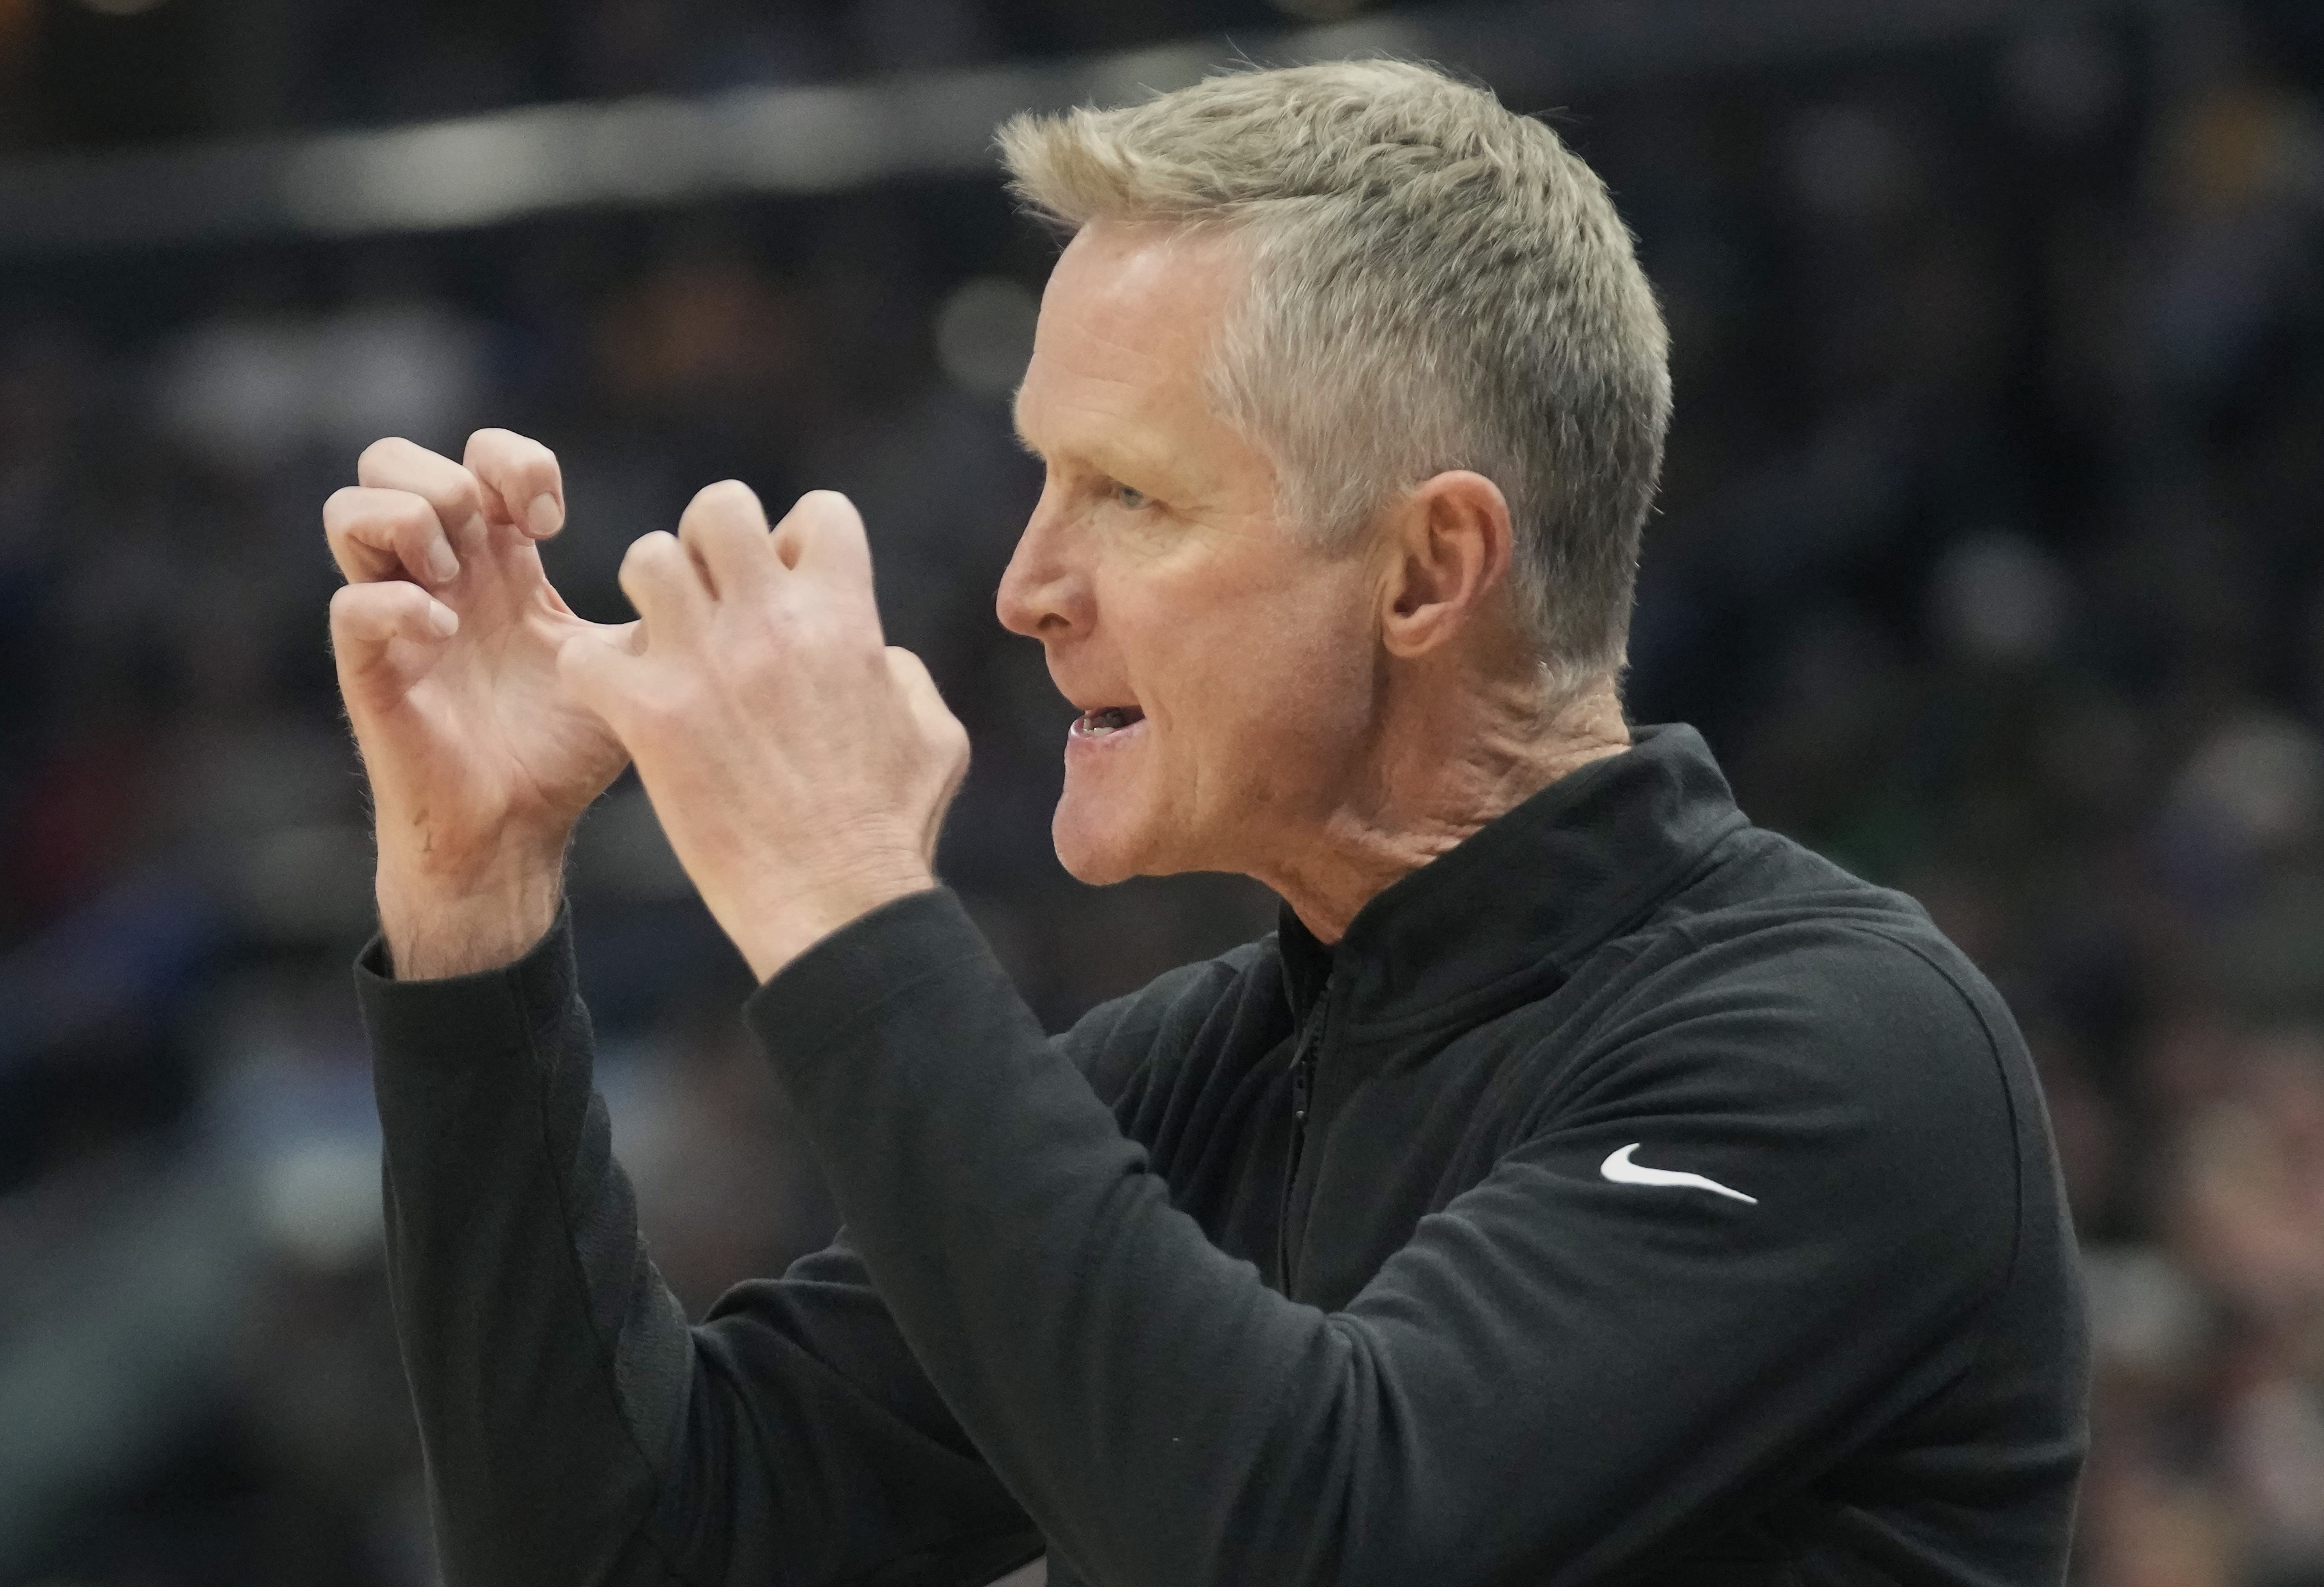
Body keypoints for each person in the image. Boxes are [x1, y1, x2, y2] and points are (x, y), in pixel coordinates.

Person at [328, 61, 2087, 1587]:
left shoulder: (1839, 1051)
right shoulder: (1196, 1076)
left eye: (1131, 494)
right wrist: (475, 901)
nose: (1027, 584)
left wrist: (841, 892)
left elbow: (1317, 1538)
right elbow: (625, 1554)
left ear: (1430, 569)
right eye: (1044, 476)